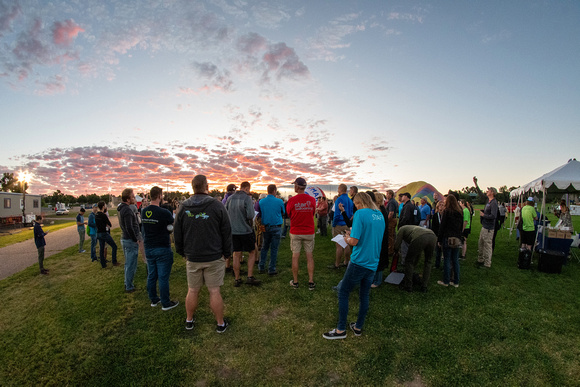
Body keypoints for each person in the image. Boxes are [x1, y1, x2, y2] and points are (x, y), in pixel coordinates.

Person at [323, 192, 385, 339]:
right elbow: (371, 235)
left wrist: (347, 237)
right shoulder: (379, 214)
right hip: (373, 260)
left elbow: (354, 241)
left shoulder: (361, 213)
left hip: (359, 261)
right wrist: (353, 233)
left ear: (359, 203)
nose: (356, 207)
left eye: (356, 205)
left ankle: (340, 330)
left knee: (343, 291)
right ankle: (358, 327)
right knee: (364, 294)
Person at [175, 175, 232, 333]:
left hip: (193, 256)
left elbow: (177, 233)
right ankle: (220, 324)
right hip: (214, 256)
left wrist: (182, 252)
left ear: (192, 187)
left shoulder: (184, 206)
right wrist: (227, 253)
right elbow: (227, 231)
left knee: (193, 290)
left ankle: (189, 320)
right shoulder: (217, 205)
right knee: (214, 290)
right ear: (207, 186)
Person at [141, 186, 179, 311]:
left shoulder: (144, 212)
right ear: (160, 196)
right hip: (162, 247)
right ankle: (165, 303)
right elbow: (172, 226)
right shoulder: (164, 212)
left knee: (152, 275)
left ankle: (153, 299)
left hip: (149, 247)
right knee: (163, 277)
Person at [225, 181, 260, 287]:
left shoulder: (230, 198)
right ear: (247, 188)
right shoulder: (246, 198)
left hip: (233, 231)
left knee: (236, 254)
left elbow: (226, 213)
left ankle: (237, 278)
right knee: (252, 252)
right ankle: (250, 276)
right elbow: (250, 215)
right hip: (246, 230)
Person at [286, 177, 317, 290]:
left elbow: (289, 213)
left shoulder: (292, 200)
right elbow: (313, 213)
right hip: (309, 231)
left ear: (297, 187)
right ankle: (311, 281)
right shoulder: (312, 200)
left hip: (296, 231)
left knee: (295, 256)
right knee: (309, 256)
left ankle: (295, 281)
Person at [395, 225, 437, 293]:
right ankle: (424, 286)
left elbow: (397, 243)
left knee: (409, 261)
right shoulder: (412, 228)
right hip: (432, 236)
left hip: (420, 237)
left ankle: (408, 286)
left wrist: (396, 250)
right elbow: (418, 252)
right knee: (428, 262)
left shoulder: (401, 229)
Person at [118, 188, 143, 293]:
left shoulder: (121, 208)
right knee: (131, 264)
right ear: (128, 199)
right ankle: (129, 286)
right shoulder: (127, 210)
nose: (134, 198)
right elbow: (129, 227)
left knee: (128, 264)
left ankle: (127, 283)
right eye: (133, 196)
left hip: (125, 239)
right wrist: (135, 239)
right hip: (129, 240)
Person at [258, 184, 285, 276]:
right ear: (274, 191)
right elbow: (283, 212)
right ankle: (271, 268)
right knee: (274, 248)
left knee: (264, 247)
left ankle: (261, 266)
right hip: (276, 226)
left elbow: (259, 213)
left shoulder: (261, 201)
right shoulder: (279, 201)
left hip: (266, 226)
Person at [437, 195, 464, 288]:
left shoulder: (447, 212)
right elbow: (461, 227)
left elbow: (442, 226)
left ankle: (446, 280)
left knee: (447, 260)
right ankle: (456, 281)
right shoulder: (460, 212)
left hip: (447, 237)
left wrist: (439, 239)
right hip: (456, 238)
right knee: (455, 260)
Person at [331, 184, 353, 269]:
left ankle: (337, 264)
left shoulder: (339, 199)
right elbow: (351, 214)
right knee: (347, 244)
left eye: (338, 189)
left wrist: (334, 224)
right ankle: (346, 262)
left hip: (339, 224)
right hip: (347, 224)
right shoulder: (350, 200)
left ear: (340, 189)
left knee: (339, 245)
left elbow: (336, 214)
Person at [477, 187, 498, 268]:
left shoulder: (494, 203)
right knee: (481, 243)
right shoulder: (488, 201)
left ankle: (487, 263)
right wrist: (476, 184)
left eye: (488, 190)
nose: (487, 191)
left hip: (489, 228)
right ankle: (480, 260)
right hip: (484, 226)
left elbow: (493, 215)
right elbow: (481, 194)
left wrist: (484, 215)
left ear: (492, 192)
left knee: (487, 246)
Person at [371, 192, 389, 287]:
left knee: (379, 258)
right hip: (381, 237)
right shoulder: (381, 210)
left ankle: (377, 281)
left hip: (380, 238)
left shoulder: (380, 211)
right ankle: (375, 278)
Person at [96, 201, 118, 268]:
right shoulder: (103, 215)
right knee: (114, 246)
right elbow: (110, 224)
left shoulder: (96, 215)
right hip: (104, 233)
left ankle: (103, 264)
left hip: (98, 233)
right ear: (103, 207)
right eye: (105, 205)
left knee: (101, 248)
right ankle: (114, 261)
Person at [430, 201, 444, 269]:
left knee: (444, 251)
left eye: (442, 205)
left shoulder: (445, 215)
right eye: (440, 205)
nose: (441, 206)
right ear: (438, 207)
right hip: (437, 234)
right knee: (437, 251)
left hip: (444, 235)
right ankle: (437, 264)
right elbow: (433, 226)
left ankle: (444, 265)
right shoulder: (436, 215)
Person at [385, 190, 398, 257]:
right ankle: (392, 249)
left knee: (390, 236)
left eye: (387, 194)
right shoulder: (394, 201)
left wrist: (387, 221)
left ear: (390, 194)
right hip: (393, 219)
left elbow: (391, 213)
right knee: (392, 235)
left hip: (391, 220)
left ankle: (390, 251)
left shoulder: (391, 202)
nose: (386, 195)